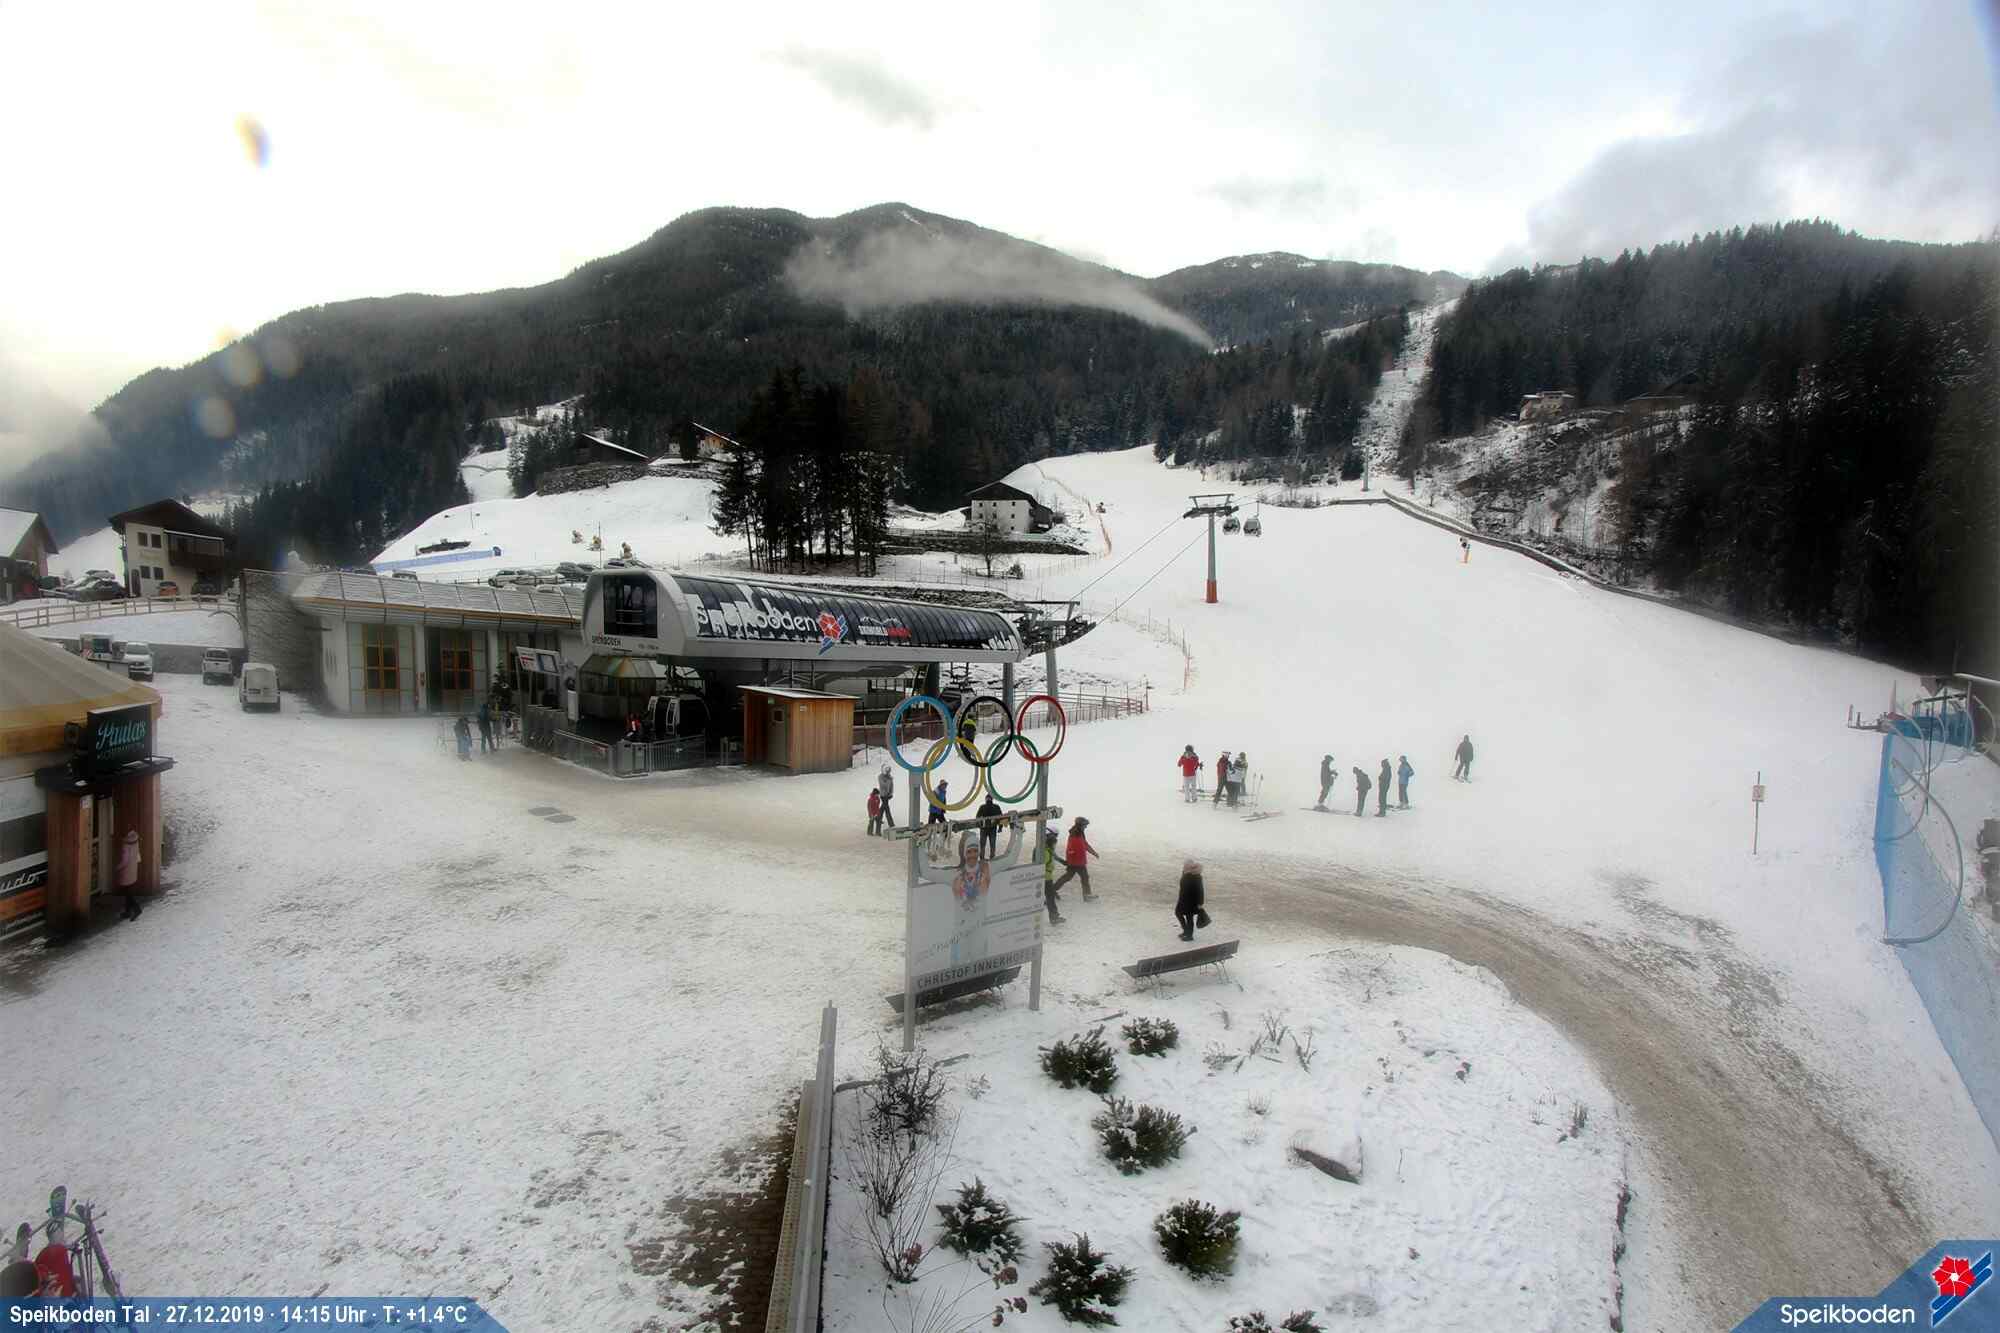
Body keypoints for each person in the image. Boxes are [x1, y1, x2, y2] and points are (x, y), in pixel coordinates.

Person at [1051, 817, 1099, 901]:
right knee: (1078, 877)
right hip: (1075, 862)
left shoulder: (1080, 834)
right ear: (1080, 825)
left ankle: (1052, 890)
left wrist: (1094, 853)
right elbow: (1070, 850)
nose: (1086, 827)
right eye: (1085, 825)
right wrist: (1070, 861)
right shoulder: (1074, 835)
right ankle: (1051, 891)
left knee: (1073, 877)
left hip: (1079, 862)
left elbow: (1085, 845)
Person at [1175, 858, 1206, 941]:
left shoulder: (1196, 876)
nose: (1184, 866)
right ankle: (1186, 931)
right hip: (1182, 899)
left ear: (1190, 866)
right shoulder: (1185, 873)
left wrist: (1200, 903)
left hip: (1191, 901)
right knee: (1178, 913)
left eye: (1186, 865)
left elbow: (1200, 890)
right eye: (1184, 865)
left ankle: (1189, 936)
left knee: (1189, 917)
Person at [116, 828, 142, 921]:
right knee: (129, 890)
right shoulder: (135, 840)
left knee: (128, 892)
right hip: (133, 869)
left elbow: (125, 861)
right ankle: (127, 912)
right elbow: (138, 856)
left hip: (126, 871)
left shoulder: (126, 845)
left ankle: (137, 909)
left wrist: (117, 867)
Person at [1041, 828, 1065, 924]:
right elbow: (1041, 865)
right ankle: (1054, 917)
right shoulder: (1046, 851)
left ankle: (1054, 916)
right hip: (1046, 878)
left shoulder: (1047, 849)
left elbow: (1054, 856)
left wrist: (1062, 861)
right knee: (1050, 898)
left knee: (1049, 896)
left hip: (1046, 877)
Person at [975, 792, 1003, 859]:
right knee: (985, 844)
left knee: (989, 844)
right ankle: (984, 858)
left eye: (989, 798)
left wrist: (1000, 827)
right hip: (986, 828)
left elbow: (1001, 818)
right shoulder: (985, 807)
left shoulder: (990, 807)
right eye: (988, 798)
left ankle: (989, 858)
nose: (988, 800)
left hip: (989, 828)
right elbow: (978, 817)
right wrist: (1000, 827)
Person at [878, 764, 897, 829]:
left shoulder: (889, 777)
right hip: (883, 795)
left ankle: (878, 818)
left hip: (888, 795)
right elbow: (883, 785)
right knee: (887, 809)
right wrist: (889, 780)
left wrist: (891, 793)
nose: (888, 772)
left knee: (883, 808)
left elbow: (891, 786)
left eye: (889, 771)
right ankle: (891, 824)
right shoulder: (880, 777)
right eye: (887, 771)